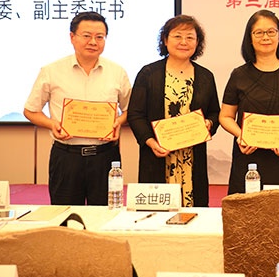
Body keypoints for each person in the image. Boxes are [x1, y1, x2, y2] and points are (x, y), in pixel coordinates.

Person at [24, 11, 131, 205]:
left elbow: (130, 110)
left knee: (106, 215)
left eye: (100, 37)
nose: (93, 42)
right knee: (65, 214)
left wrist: (118, 122)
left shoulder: (117, 72)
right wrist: (52, 124)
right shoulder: (51, 71)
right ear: (72, 37)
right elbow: (30, 110)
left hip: (105, 158)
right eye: (86, 35)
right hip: (66, 157)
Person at [128, 15, 220, 207]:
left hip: (192, 157)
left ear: (197, 42)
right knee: (156, 214)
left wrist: (209, 123)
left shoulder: (205, 76)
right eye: (177, 36)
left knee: (194, 213)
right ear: (165, 40)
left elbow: (214, 113)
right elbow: (135, 115)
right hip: (157, 155)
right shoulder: (148, 73)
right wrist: (151, 142)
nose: (184, 42)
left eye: (190, 37)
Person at [219, 10, 279, 194]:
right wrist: (241, 136)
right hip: (248, 156)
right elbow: (225, 116)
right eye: (259, 32)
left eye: (271, 31)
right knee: (247, 209)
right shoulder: (239, 74)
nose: (266, 37)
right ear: (250, 38)